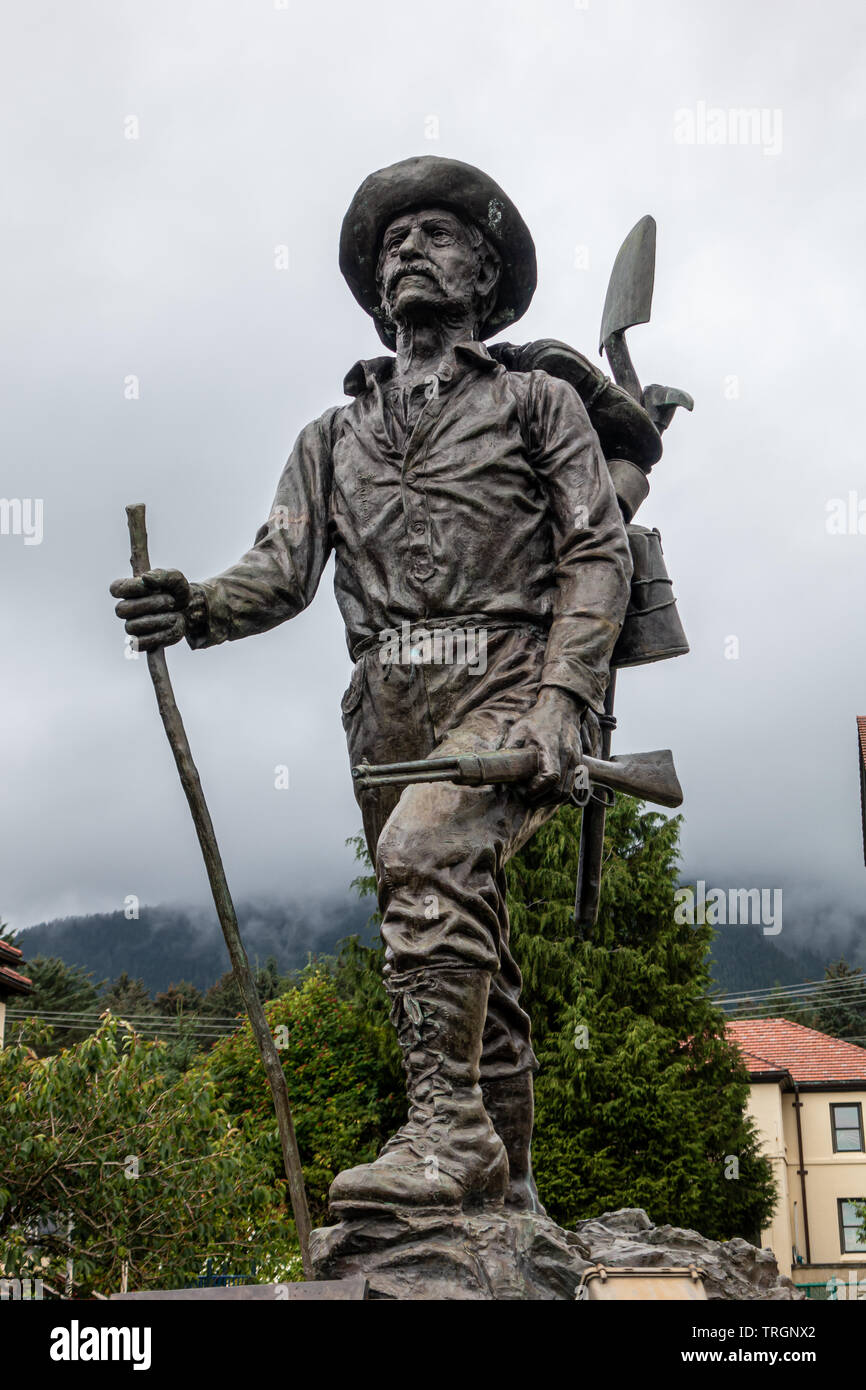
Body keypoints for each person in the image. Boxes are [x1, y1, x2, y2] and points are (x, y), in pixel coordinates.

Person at [111, 157, 632, 1216]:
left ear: (482, 275)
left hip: (509, 679)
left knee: (425, 856)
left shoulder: (534, 404)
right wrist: (199, 603)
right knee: (450, 915)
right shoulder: (331, 435)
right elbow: (281, 568)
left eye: (435, 235)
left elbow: (597, 553)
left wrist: (561, 701)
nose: (406, 251)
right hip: (386, 708)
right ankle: (511, 1188)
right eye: (392, 242)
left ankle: (446, 1135)